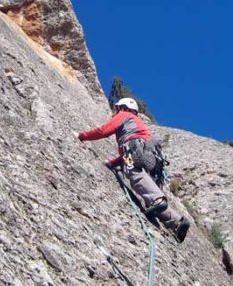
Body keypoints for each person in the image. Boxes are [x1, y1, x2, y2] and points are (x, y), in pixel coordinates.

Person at [76, 97, 191, 243]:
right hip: (150, 155)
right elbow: (126, 158)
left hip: (136, 147)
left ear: (122, 107)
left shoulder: (124, 115)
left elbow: (104, 131)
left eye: (116, 109)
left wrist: (82, 136)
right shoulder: (136, 123)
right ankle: (177, 221)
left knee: (135, 174)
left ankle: (158, 199)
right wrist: (112, 163)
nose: (114, 112)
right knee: (146, 191)